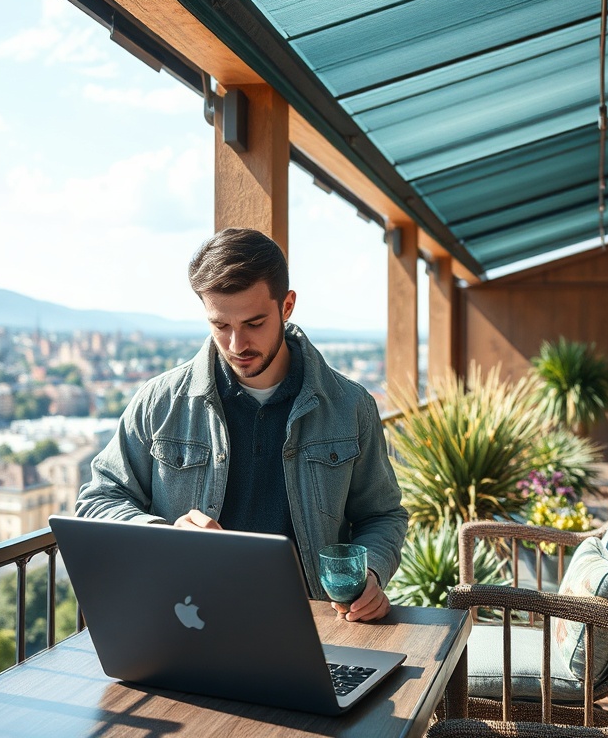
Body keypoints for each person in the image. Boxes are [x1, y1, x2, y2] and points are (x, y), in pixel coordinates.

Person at [76, 228, 408, 622]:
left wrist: (370, 571)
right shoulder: (158, 402)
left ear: (287, 306)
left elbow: (382, 515)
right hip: (189, 623)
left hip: (316, 629)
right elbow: (97, 502)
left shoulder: (351, 407)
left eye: (253, 323)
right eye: (220, 326)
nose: (237, 345)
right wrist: (163, 534)